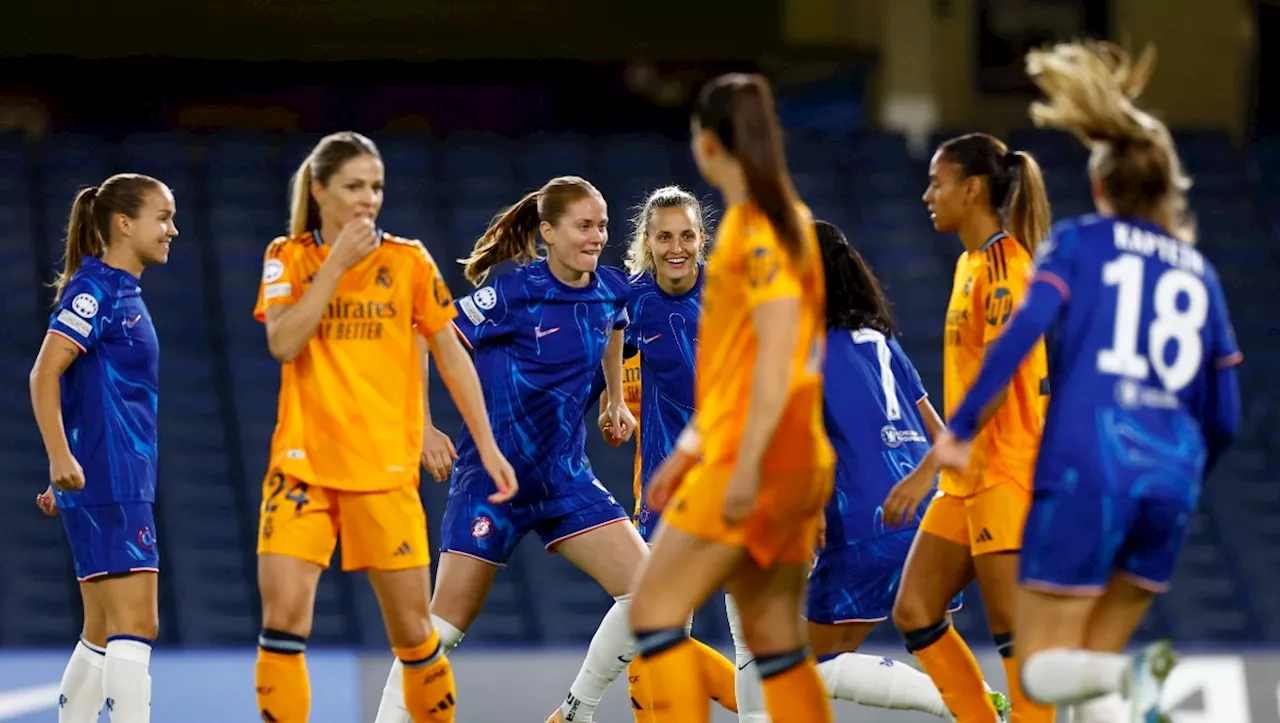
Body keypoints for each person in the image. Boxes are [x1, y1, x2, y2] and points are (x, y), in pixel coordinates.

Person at [929, 41, 1242, 723]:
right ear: (1167, 189)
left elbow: (1015, 340)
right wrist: (1187, 477)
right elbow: (1225, 415)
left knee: (1042, 667)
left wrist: (959, 427)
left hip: (1092, 467)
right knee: (1091, 666)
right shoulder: (1201, 275)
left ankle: (1152, 693)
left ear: (1099, 187)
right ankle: (1143, 690)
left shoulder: (1077, 242)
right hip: (1171, 483)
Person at [253, 131, 516, 723]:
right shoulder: (287, 256)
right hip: (303, 469)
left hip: (384, 473)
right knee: (283, 624)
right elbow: (283, 341)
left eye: (376, 187)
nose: (369, 199)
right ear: (320, 191)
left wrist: (488, 444)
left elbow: (450, 353)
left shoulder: (409, 262)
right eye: (354, 187)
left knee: (415, 637)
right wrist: (337, 266)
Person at [373, 175, 644, 723]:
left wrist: (615, 398)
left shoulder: (611, 288)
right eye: (585, 226)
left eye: (604, 226)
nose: (598, 237)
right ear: (548, 232)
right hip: (493, 481)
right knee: (441, 632)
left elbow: (614, 325)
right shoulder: (513, 295)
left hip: (566, 480)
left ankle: (574, 711)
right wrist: (422, 427)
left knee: (653, 598)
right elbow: (423, 334)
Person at [730, 220, 1011, 723]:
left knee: (799, 670)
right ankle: (975, 705)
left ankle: (965, 704)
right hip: (928, 518)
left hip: (859, 520)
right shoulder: (884, 343)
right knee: (933, 641)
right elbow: (940, 432)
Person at [627, 72, 835, 723]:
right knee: (775, 642)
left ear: (710, 144)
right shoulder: (781, 220)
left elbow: (779, 356)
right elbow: (742, 365)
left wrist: (743, 467)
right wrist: (688, 447)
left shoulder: (760, 230)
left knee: (653, 611)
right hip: (787, 455)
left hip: (758, 458)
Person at [886, 131, 1053, 723]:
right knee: (916, 610)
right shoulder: (968, 263)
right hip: (967, 479)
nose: (929, 193)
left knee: (1017, 635)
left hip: (1006, 472)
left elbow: (995, 388)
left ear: (973, 188)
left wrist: (923, 470)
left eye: (939, 182)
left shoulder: (1009, 269)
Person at [577, 185, 739, 720]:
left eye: (687, 235)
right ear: (647, 241)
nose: (677, 247)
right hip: (668, 491)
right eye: (664, 236)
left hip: (739, 487)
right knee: (659, 626)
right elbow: (597, 369)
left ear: (701, 239)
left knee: (750, 641)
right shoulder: (629, 303)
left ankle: (573, 709)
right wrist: (612, 404)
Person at [30, 173, 178, 723]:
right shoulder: (98, 292)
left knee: (100, 628)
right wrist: (59, 457)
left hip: (107, 477)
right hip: (113, 481)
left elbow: (82, 389)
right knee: (136, 625)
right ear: (124, 224)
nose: (172, 230)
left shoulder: (116, 290)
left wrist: (63, 462)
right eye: (162, 218)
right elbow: (45, 373)